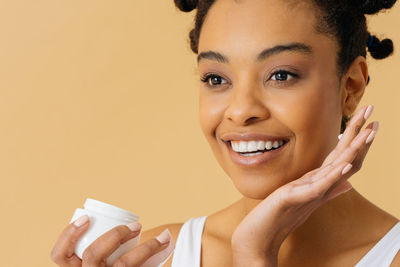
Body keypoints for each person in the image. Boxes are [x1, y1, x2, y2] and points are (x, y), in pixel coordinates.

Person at [50, 0, 400, 266]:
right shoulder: (159, 256)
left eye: (281, 75)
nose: (240, 110)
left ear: (351, 87)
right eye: (216, 79)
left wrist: (255, 253)